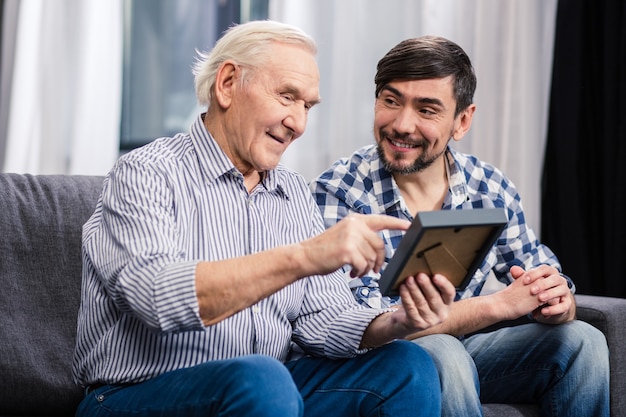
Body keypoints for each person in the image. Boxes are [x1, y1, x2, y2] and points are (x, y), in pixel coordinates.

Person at [71, 21, 457, 417]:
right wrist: (304, 257)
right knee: (263, 378)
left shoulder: (291, 193)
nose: (299, 123)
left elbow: (323, 318)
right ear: (227, 84)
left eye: (306, 106)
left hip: (268, 393)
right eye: (287, 96)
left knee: (408, 366)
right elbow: (155, 297)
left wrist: (398, 321)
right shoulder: (145, 173)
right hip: (136, 394)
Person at [310, 36, 610, 417]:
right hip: (379, 365)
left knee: (582, 340)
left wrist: (556, 298)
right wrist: (498, 304)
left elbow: (540, 268)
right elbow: (365, 325)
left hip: (460, 350)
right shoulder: (338, 191)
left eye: (427, 109)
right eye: (391, 100)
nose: (402, 124)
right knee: (442, 350)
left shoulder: (488, 186)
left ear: (462, 121)